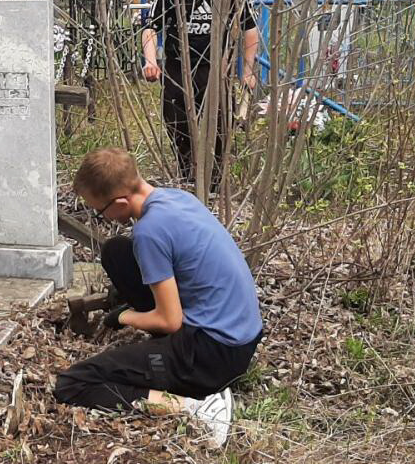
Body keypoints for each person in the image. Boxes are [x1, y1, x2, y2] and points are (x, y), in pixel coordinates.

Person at [53, 148, 263, 449]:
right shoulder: (177, 199)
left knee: (74, 383)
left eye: (100, 211)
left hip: (211, 354)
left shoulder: (149, 232)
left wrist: (123, 317)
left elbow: (170, 319)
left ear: (121, 202)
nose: (103, 217)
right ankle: (181, 369)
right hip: (242, 337)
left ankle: (197, 408)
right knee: (116, 252)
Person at [141, 0, 260, 186]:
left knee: (218, 130)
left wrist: (248, 70)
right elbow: (150, 28)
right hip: (177, 69)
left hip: (214, 70)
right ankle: (187, 180)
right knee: (179, 127)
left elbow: (250, 30)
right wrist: (150, 60)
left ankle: (214, 186)